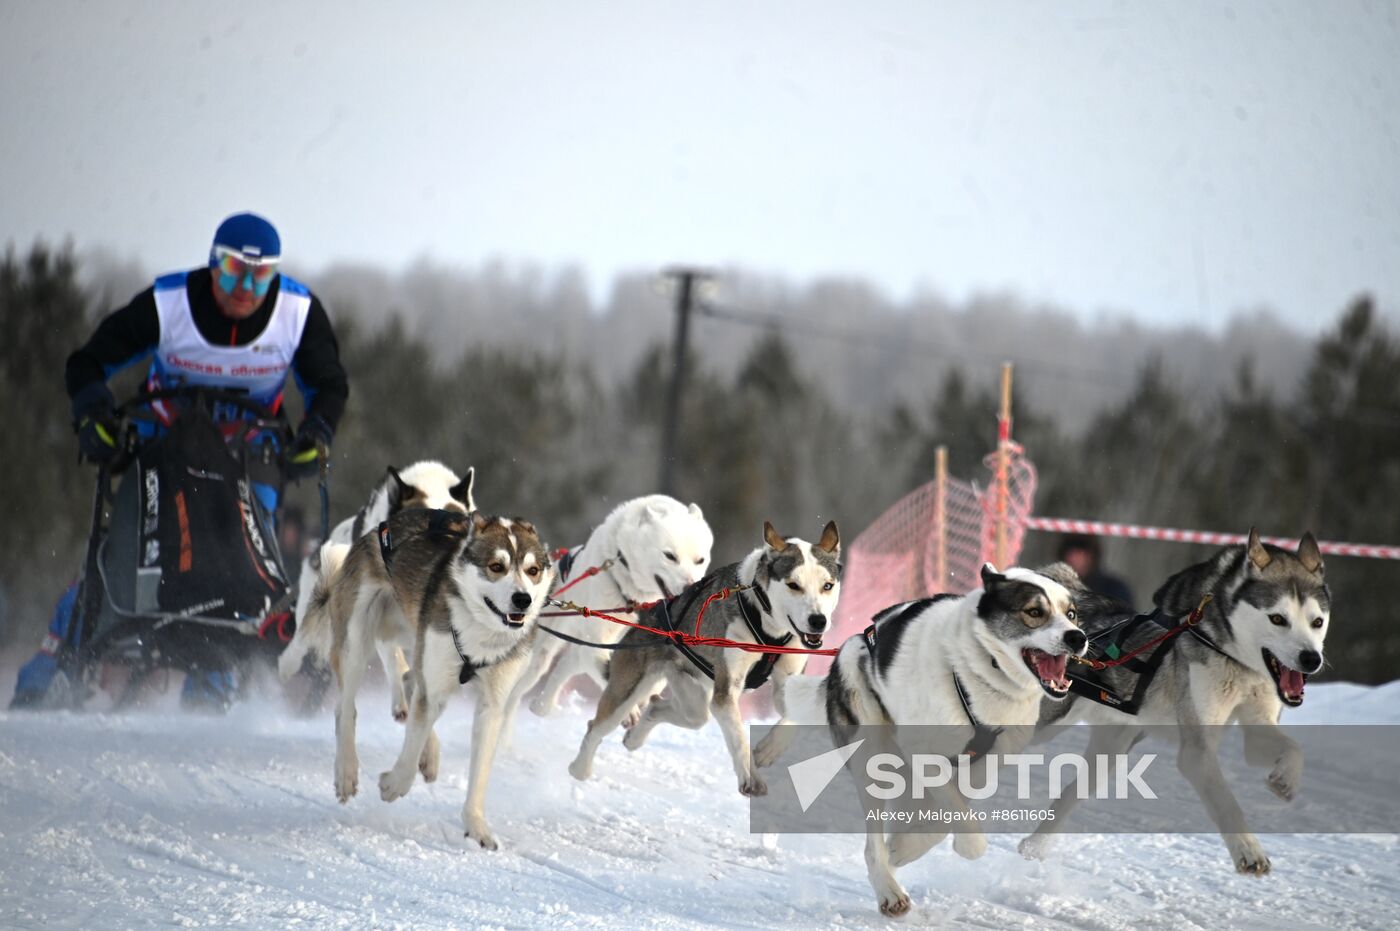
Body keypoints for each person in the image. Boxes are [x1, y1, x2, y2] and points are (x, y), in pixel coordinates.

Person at [10, 212, 349, 710]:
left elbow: (330, 385)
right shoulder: (169, 303)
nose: (244, 288)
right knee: (115, 556)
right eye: (233, 271)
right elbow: (87, 363)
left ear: (275, 275)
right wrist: (93, 414)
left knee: (251, 570)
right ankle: (47, 678)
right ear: (213, 265)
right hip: (161, 453)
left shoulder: (297, 312)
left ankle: (211, 695)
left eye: (260, 275)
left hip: (248, 458)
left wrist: (317, 432)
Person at [1056, 534, 1135, 609]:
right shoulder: (1053, 588)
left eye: (1081, 553)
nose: (1075, 559)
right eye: (1071, 553)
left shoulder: (1113, 589)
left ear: (1092, 557)